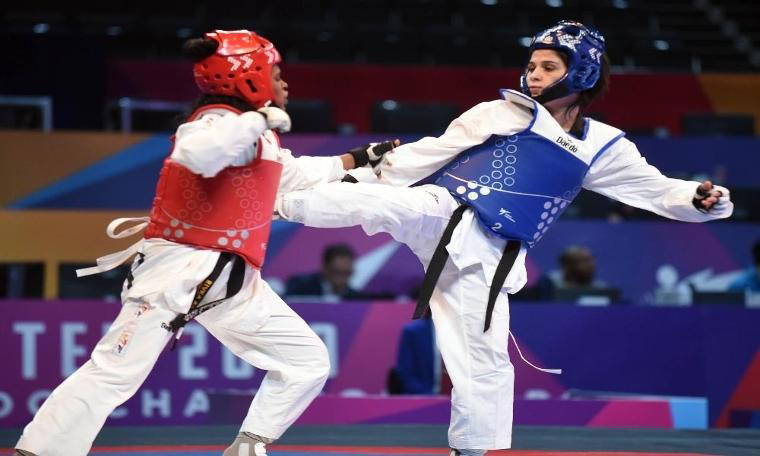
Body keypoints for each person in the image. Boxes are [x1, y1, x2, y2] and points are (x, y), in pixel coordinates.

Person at [276, 20, 733, 455]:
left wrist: (699, 198)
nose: (534, 75)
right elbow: (430, 152)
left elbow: (654, 189)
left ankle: (471, 448)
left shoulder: (603, 147)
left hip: (490, 252)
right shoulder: (502, 111)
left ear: (582, 73)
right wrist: (360, 175)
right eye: (532, 65)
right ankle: (273, 203)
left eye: (548, 67)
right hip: (444, 209)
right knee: (378, 202)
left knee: (483, 354)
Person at [14, 30, 393, 456]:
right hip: (177, 270)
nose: (285, 84)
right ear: (249, 77)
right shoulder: (212, 121)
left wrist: (359, 158)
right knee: (114, 373)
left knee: (305, 361)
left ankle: (248, 445)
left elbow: (296, 174)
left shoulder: (260, 138)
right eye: (276, 74)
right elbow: (196, 154)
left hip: (233, 282)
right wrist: (257, 119)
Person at [285, 243, 361, 299]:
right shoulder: (300, 288)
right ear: (325, 268)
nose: (342, 279)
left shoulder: (356, 298)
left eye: (346, 273)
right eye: (337, 272)